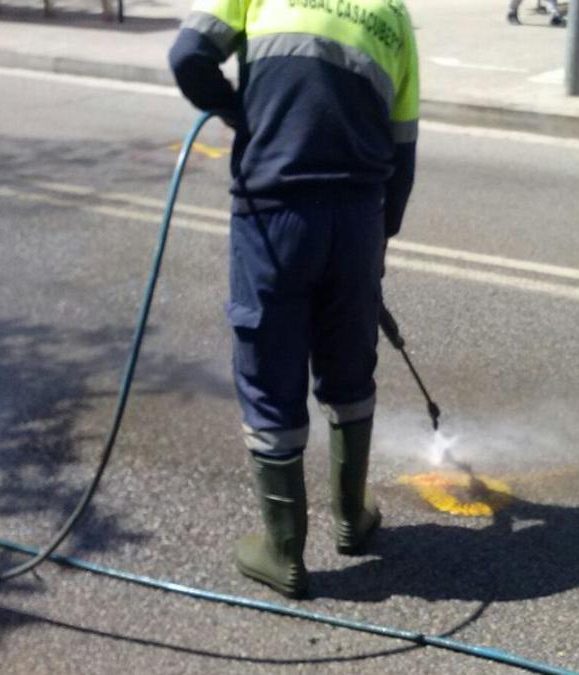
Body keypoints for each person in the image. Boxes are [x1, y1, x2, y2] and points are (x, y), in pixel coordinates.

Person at [167, 0, 419, 599]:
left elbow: (188, 56)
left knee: (270, 371)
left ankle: (284, 554)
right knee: (350, 366)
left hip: (275, 212)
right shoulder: (394, 15)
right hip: (358, 218)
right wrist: (378, 238)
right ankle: (352, 521)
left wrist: (240, 113)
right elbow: (402, 151)